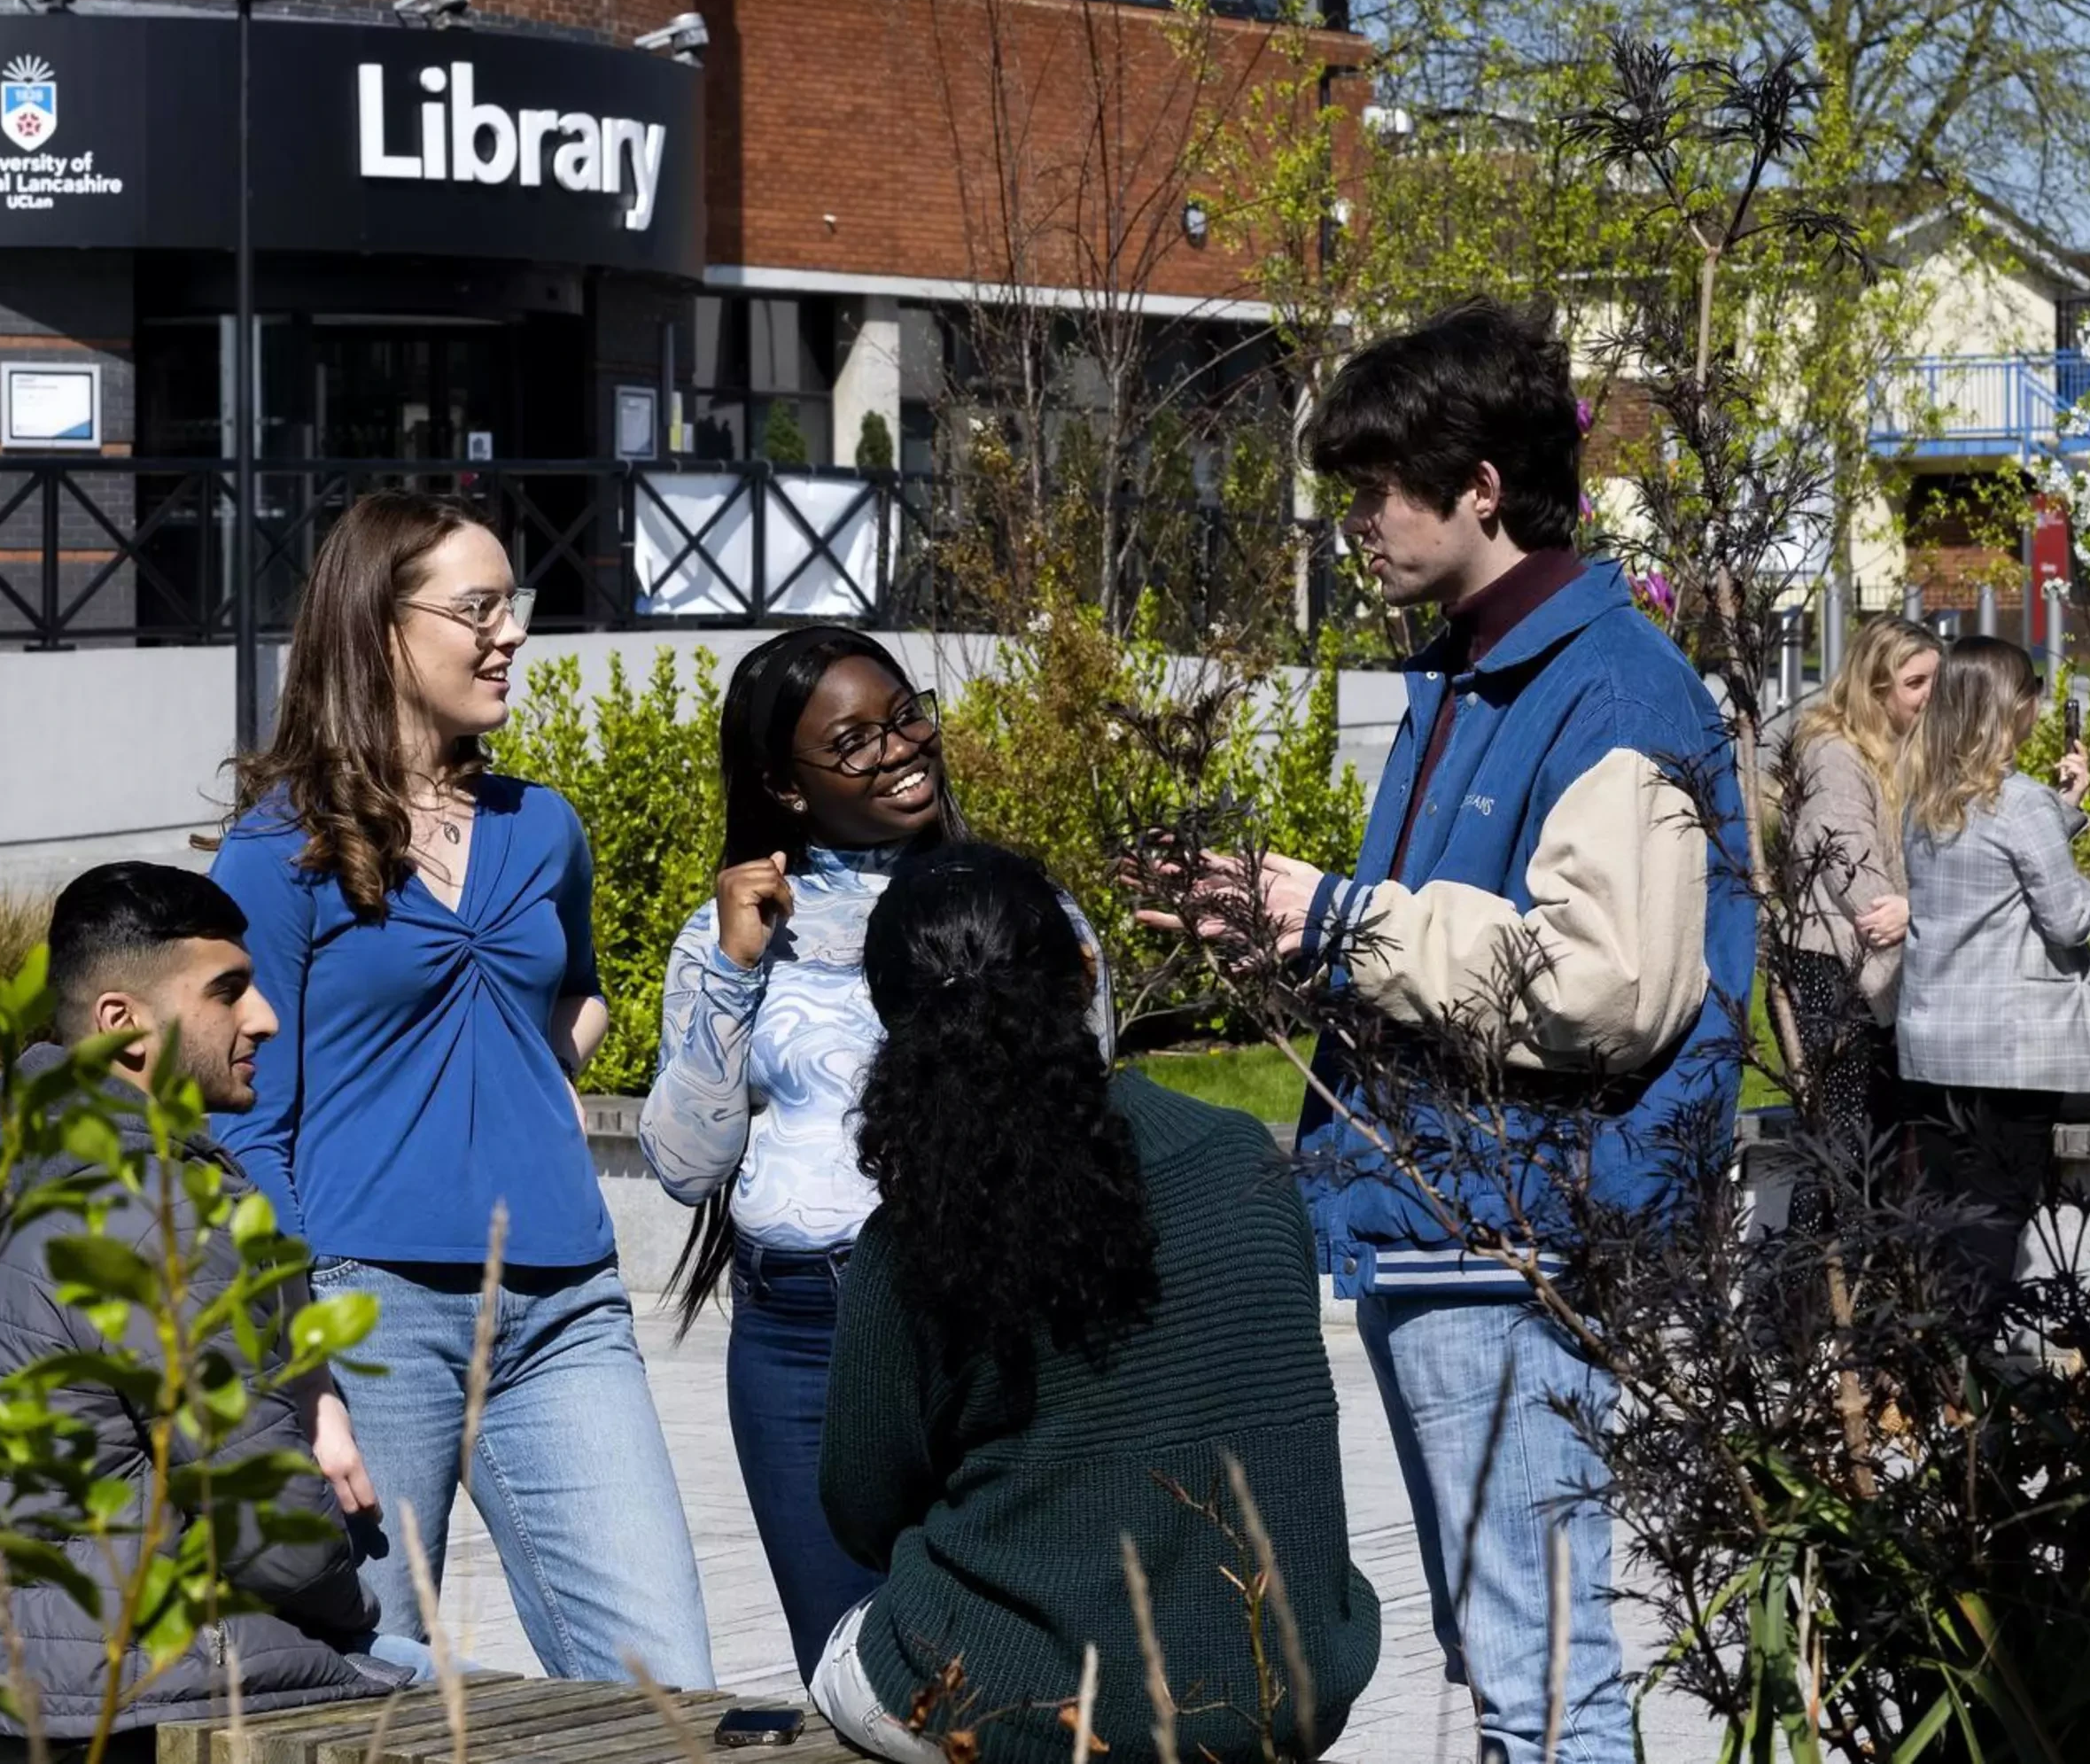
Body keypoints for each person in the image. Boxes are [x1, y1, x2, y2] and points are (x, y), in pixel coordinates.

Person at [1150, 300, 1752, 1764]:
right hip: (1456, 1224)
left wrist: (1337, 921)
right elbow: (1467, 952)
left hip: (1521, 1237)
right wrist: (1286, 940)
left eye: (1375, 488)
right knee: (1512, 1670)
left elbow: (1607, 984)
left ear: (1481, 485)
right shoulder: (1479, 668)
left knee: (1546, 1686)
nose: (1354, 522)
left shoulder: (1609, 684)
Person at [205, 493, 716, 1687]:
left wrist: (523, 1080)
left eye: (513, 607)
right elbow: (248, 1127)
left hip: (566, 1305)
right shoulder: (281, 853)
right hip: (370, 1311)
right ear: (380, 627)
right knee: (372, 1676)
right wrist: (304, 1370)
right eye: (477, 608)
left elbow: (578, 990)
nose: (510, 635)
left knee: (670, 1685)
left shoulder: (544, 827)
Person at [812, 844, 1379, 1764]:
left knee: (842, 1653)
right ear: (1082, 976)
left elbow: (862, 1505)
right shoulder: (1246, 1158)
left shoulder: (912, 1241)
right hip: (1287, 1680)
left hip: (1027, 1703)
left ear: (895, 1026)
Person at [0, 862, 431, 1748]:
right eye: (228, 990)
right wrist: (351, 1609)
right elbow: (277, 1536)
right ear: (124, 1023)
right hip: (100, 1677)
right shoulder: (167, 1202)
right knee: (427, 1674)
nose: (264, 1018)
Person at [639, 626, 1115, 1678]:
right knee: (848, 1669)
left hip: (982, 1319)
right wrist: (729, 965)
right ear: (787, 786)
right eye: (853, 741)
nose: (902, 748)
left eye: (907, 715)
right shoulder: (731, 931)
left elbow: (1085, 1109)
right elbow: (684, 1163)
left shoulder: (1019, 906)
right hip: (801, 1341)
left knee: (1003, 1668)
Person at [1894, 634, 2090, 1308]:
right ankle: (1971, 1371)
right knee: (1996, 1215)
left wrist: (2065, 812)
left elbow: (1990, 869)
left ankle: (1934, 1370)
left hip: (1935, 1041)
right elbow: (2067, 919)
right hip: (2008, 1053)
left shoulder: (1927, 799)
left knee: (1946, 1209)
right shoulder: (2020, 803)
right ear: (2011, 709)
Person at [1777, 615, 1945, 1162]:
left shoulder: (1904, 750)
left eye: (1934, 683)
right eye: (1915, 684)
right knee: (1843, 1148)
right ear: (1875, 689)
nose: (1928, 698)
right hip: (1833, 970)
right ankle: (1821, 1248)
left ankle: (1853, 1246)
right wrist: (1918, 914)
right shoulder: (1835, 752)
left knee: (1874, 1141)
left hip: (1871, 968)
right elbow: (1849, 862)